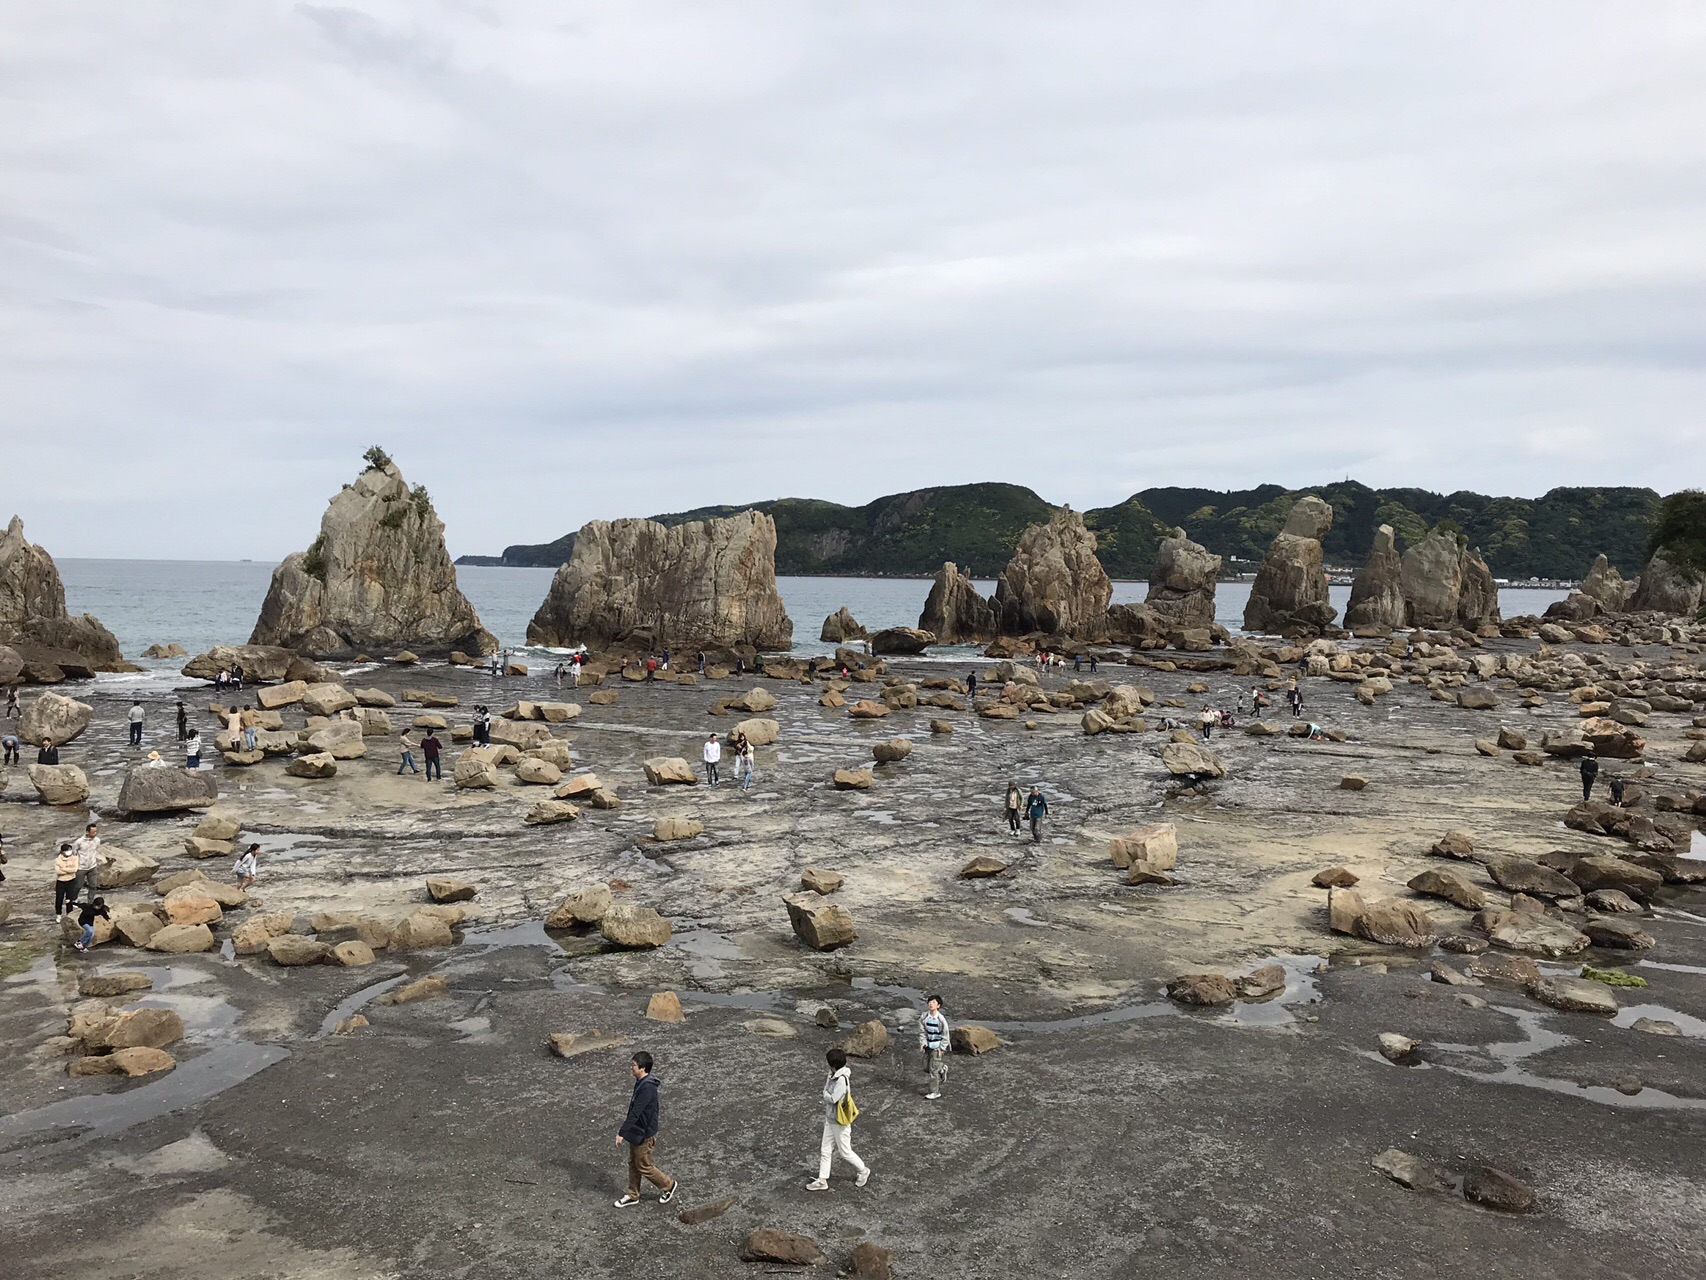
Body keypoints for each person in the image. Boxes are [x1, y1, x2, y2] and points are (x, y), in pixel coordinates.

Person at [614, 1051, 677, 1208]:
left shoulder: (647, 1088)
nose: (631, 1067)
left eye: (634, 1065)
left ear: (642, 1068)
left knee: (644, 1165)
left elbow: (636, 1112)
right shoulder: (641, 1082)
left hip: (643, 1134)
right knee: (633, 1163)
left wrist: (622, 1133)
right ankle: (633, 1194)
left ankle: (668, 1185)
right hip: (636, 1132)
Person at [807, 1047, 870, 1191]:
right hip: (831, 1119)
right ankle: (822, 1180)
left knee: (845, 1151)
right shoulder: (833, 1075)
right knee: (825, 1149)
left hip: (840, 1121)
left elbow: (833, 1098)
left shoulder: (841, 1080)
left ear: (832, 1064)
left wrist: (825, 1094)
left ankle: (863, 1170)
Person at [919, 995, 951, 1100]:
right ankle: (942, 1069)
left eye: (933, 1002)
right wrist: (923, 1043)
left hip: (937, 1047)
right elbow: (922, 1031)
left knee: (933, 1071)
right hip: (928, 1046)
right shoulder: (924, 1017)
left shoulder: (941, 1020)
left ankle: (935, 1091)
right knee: (925, 1067)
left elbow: (945, 1035)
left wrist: (941, 1048)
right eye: (929, 1002)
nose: (930, 1004)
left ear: (938, 1006)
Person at [71, 822, 101, 902]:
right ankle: (74, 899)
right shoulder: (79, 842)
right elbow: (74, 853)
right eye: (93, 832)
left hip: (92, 866)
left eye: (96, 832)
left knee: (93, 885)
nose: (95, 834)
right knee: (78, 886)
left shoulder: (97, 840)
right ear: (87, 832)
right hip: (81, 867)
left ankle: (90, 902)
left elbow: (97, 850)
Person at [54, 841, 79, 916]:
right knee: (59, 899)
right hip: (61, 882)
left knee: (69, 899)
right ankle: (58, 914)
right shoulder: (57, 860)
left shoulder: (75, 858)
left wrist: (63, 868)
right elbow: (58, 871)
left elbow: (74, 870)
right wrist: (68, 869)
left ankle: (69, 914)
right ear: (62, 852)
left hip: (71, 881)